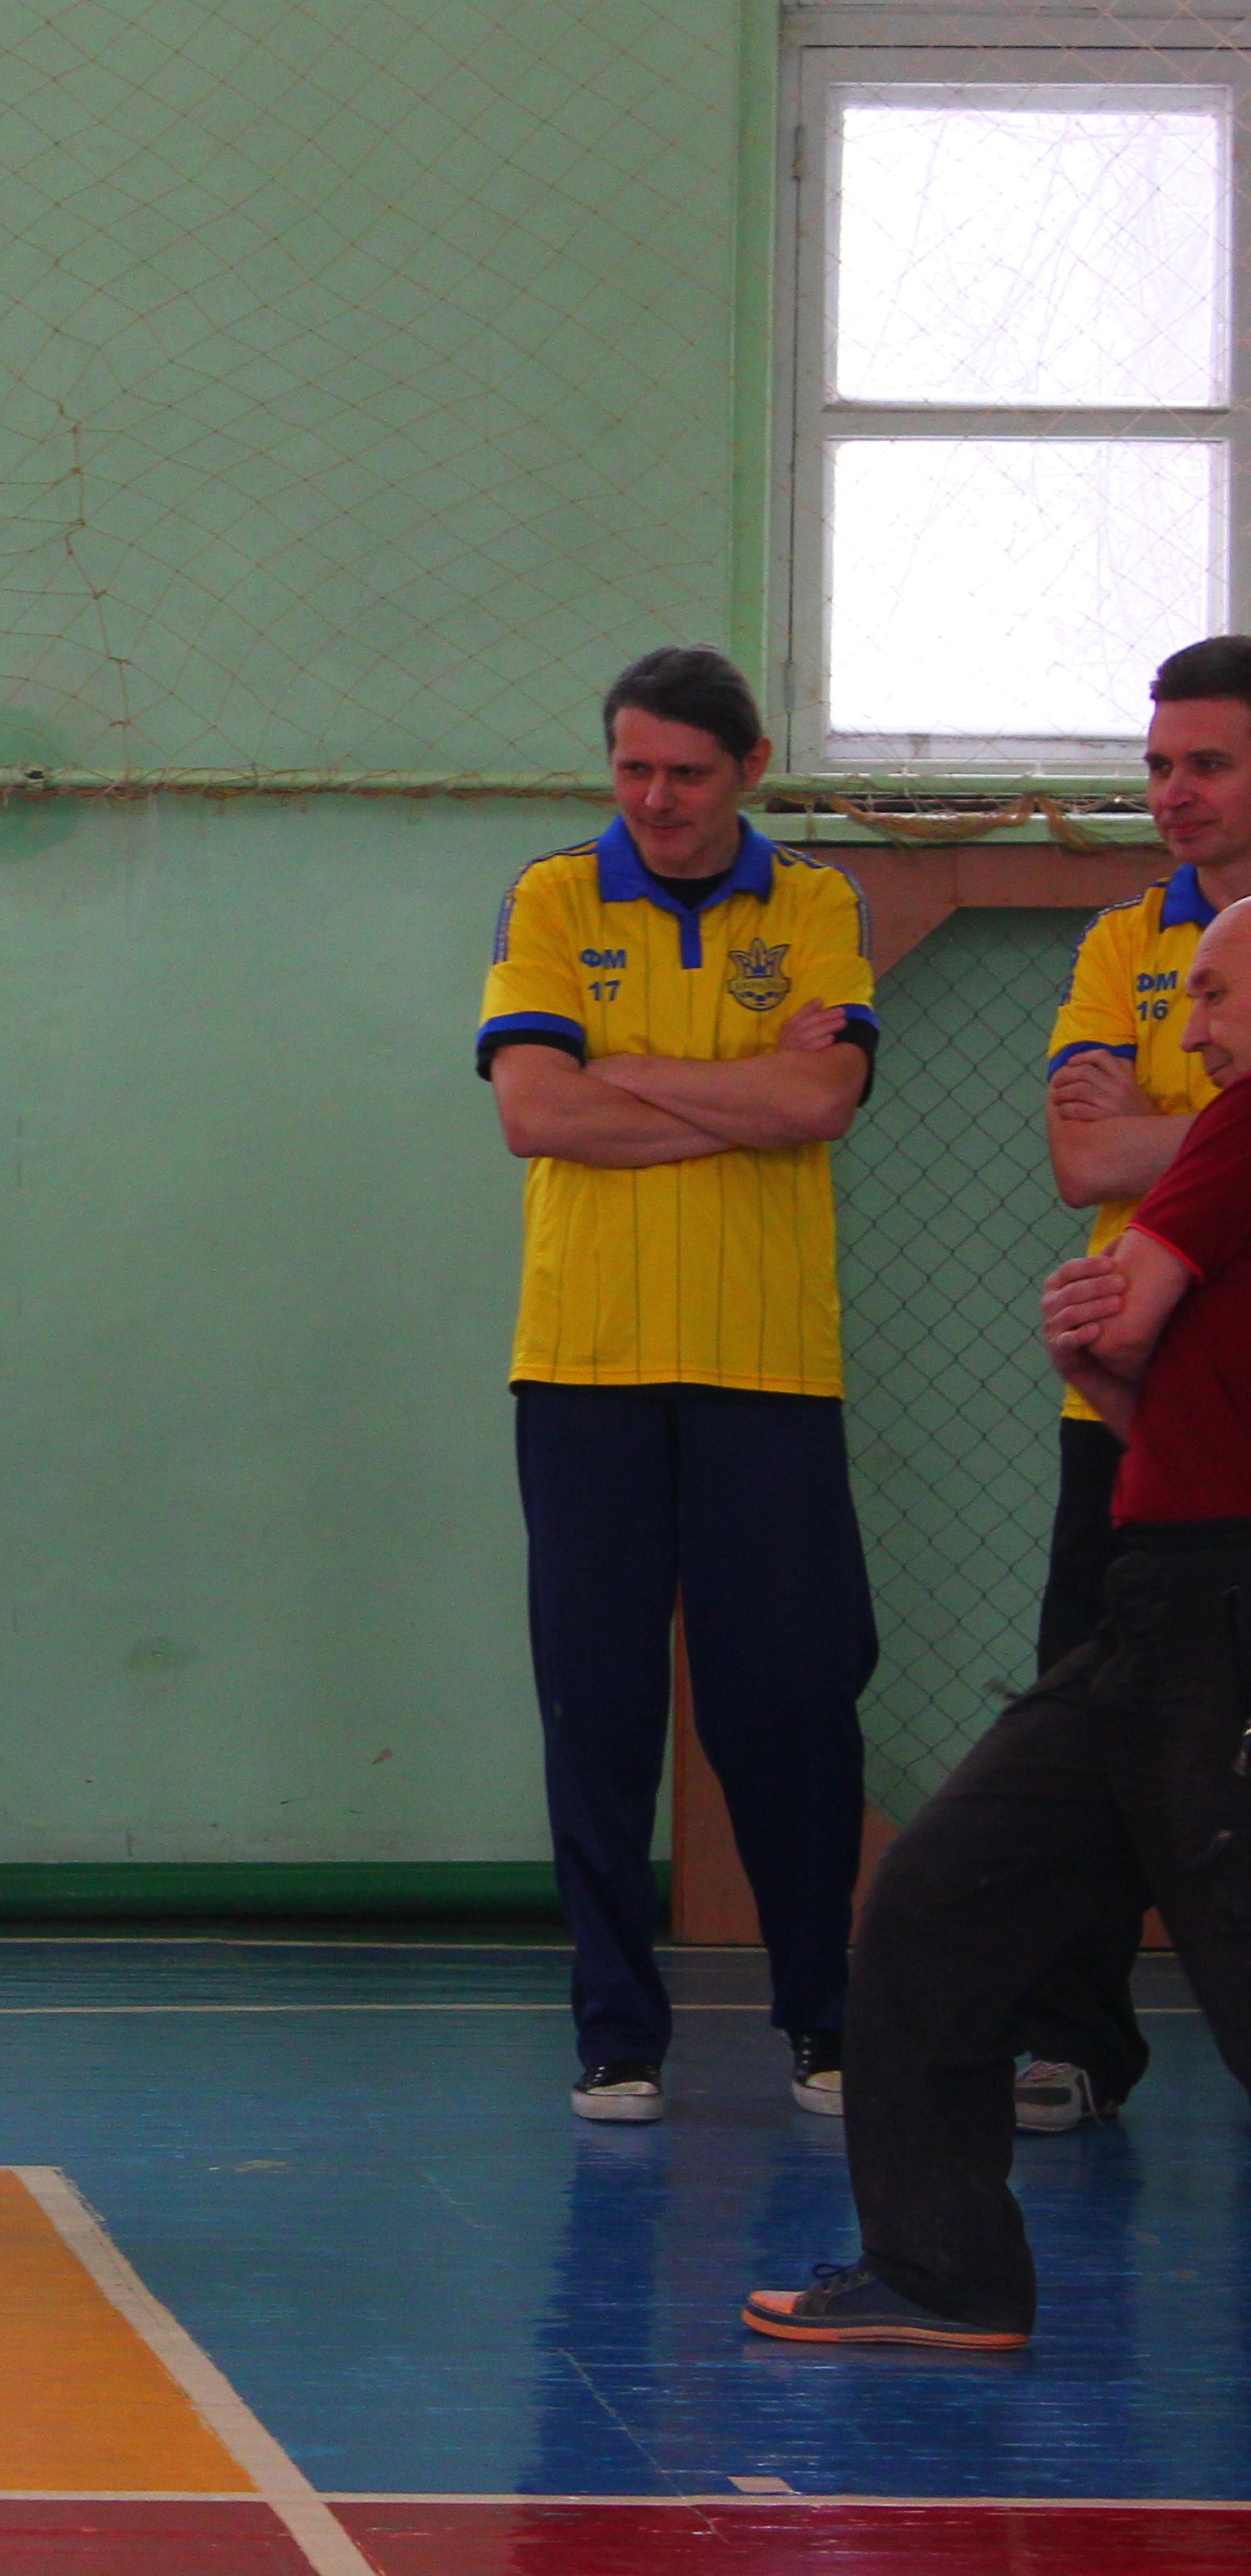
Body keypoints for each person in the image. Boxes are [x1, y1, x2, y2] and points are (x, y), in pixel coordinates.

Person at [743, 896, 1251, 2353]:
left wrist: (1103, 1329)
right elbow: (1142, 1392)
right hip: (1152, 1604)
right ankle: (939, 2270)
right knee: (934, 1898)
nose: (1193, 1028)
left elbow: (1122, 1311)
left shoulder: (1238, 1127)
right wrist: (1097, 1368)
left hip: (1214, 1620)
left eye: (1216, 996)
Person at [478, 646, 882, 2125]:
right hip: (581, 1366)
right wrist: (737, 1094)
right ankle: (615, 2037)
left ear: (751, 769)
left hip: (767, 1366)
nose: (654, 799)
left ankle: (823, 2019)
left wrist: (628, 1069)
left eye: (686, 774)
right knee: (595, 1707)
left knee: (791, 1705)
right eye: (632, 768)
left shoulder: (817, 902)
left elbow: (821, 1096)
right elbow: (534, 1113)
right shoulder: (551, 895)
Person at [1018, 634, 1251, 2136]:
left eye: (1207, 763)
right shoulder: (1123, 940)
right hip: (1122, 1407)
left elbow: (1126, 1143)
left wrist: (1155, 1120)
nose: (1172, 791)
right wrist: (1218, 1112)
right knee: (1091, 1727)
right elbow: (1077, 1156)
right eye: (1158, 764)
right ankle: (1070, 2041)